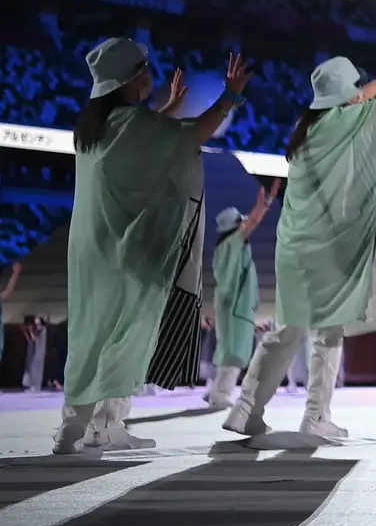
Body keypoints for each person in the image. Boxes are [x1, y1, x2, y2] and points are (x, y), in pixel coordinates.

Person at [225, 43, 376, 442]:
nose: (360, 91)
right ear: (344, 95)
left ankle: (245, 408)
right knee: (327, 334)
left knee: (285, 329)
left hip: (293, 246)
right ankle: (316, 416)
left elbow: (368, 95)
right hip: (326, 247)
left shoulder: (310, 125)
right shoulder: (344, 120)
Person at [56, 41, 250, 454]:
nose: (150, 77)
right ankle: (106, 426)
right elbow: (187, 137)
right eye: (144, 70)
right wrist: (231, 95)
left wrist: (166, 111)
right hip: (129, 251)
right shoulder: (134, 123)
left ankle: (72, 428)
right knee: (128, 334)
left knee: (91, 334)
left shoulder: (93, 126)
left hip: (91, 247)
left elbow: (144, 140)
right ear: (128, 78)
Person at [205, 179, 279, 410]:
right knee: (235, 350)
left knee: (227, 346)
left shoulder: (223, 247)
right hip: (236, 305)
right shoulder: (234, 243)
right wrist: (266, 202)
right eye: (241, 220)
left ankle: (216, 389)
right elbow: (254, 220)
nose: (246, 222)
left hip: (228, 304)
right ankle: (221, 394)